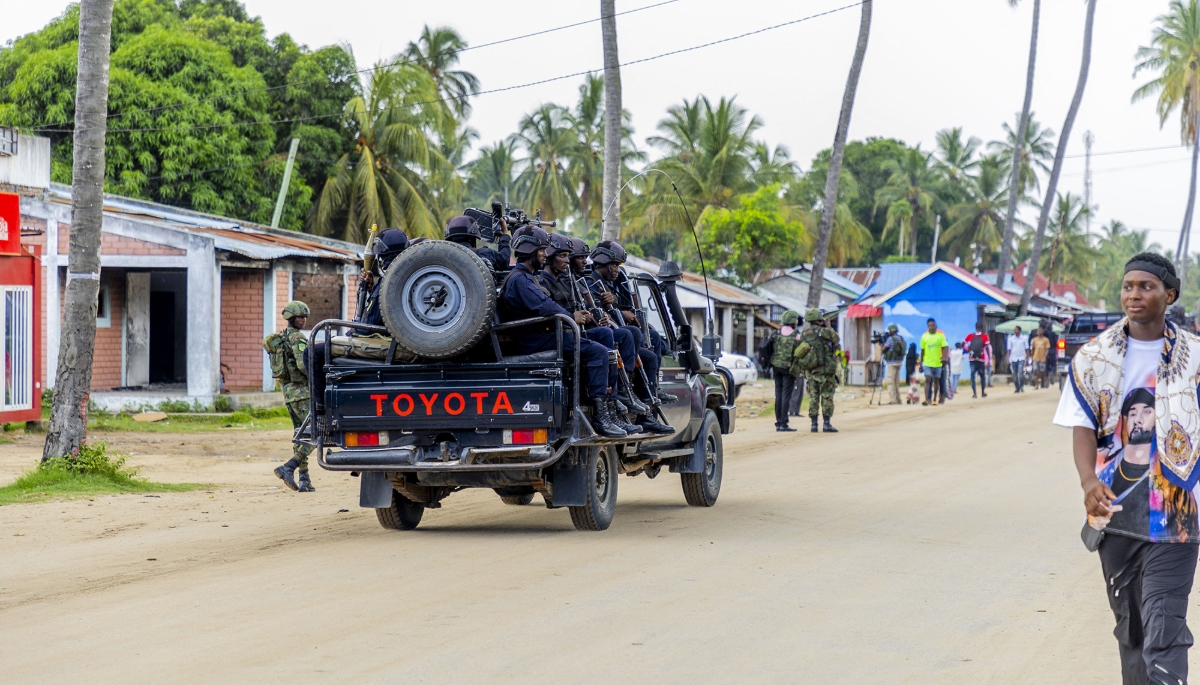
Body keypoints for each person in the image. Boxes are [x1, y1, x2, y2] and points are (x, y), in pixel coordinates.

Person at [1054, 252, 1200, 685]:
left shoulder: (1194, 357)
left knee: (1164, 622)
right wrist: (1086, 481)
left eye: (1146, 287)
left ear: (1169, 295)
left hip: (1177, 514)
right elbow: (1082, 426)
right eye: (1129, 286)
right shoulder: (1094, 356)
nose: (1134, 295)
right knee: (1131, 629)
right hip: (1115, 512)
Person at [498, 226, 626, 438]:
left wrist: (575, 315)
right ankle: (600, 417)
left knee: (602, 335)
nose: (544, 255)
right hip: (536, 340)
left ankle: (611, 406)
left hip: (546, 335)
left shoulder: (527, 277)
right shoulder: (520, 279)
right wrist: (570, 316)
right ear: (530, 251)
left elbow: (545, 305)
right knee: (598, 352)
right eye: (541, 251)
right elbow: (545, 306)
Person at [537, 233, 669, 434]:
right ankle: (609, 408)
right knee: (612, 342)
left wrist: (599, 314)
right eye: (566, 256)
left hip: (574, 331)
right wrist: (585, 315)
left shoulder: (570, 282)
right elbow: (550, 310)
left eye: (569, 256)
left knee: (633, 341)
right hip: (556, 336)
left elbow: (581, 311)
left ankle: (624, 400)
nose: (580, 261)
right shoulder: (549, 282)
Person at [587, 240, 672, 405]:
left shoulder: (612, 284)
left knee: (653, 338)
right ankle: (626, 391)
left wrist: (619, 305)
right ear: (604, 264)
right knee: (638, 344)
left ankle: (650, 396)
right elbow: (596, 312)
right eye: (615, 265)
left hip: (614, 333)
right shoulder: (591, 283)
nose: (617, 270)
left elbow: (618, 304)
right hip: (604, 335)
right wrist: (620, 313)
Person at [268, 301, 316, 493]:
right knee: (315, 432)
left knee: (300, 433)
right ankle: (289, 466)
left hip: (289, 393)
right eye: (299, 317)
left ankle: (305, 478)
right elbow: (304, 364)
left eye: (305, 317)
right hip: (303, 393)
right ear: (291, 319)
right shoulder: (297, 337)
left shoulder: (283, 336)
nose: (303, 320)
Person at [792, 308, 840, 433]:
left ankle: (814, 425)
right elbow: (837, 340)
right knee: (827, 396)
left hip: (811, 371)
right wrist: (828, 326)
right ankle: (826, 424)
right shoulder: (827, 332)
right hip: (826, 371)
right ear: (820, 319)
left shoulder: (804, 334)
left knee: (813, 397)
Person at [354, 227, 408, 332]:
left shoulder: (387, 283)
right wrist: (371, 290)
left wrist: (353, 330)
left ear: (382, 258)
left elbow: (368, 327)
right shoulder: (415, 279)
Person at [760, 310, 803, 432]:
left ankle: (778, 422)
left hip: (776, 367)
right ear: (793, 321)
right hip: (788, 369)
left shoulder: (776, 333)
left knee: (778, 395)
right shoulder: (796, 335)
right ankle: (784, 423)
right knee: (786, 396)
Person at [445, 214, 511, 275]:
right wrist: (504, 235)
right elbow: (504, 261)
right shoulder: (483, 254)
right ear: (472, 238)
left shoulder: (443, 259)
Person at [919, 318, 949, 406]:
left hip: (938, 362)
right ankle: (927, 399)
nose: (932, 327)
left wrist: (944, 357)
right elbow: (922, 350)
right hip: (928, 362)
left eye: (933, 325)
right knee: (928, 379)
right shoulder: (924, 336)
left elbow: (945, 347)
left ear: (936, 326)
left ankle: (937, 398)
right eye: (930, 325)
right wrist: (921, 363)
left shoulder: (941, 335)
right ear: (928, 326)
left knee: (938, 381)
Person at [880, 323, 906, 405]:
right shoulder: (901, 338)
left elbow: (883, 350)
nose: (889, 332)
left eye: (890, 331)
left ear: (892, 331)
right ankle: (898, 399)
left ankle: (893, 400)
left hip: (891, 363)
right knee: (896, 382)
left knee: (890, 382)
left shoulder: (890, 339)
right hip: (899, 362)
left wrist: (882, 344)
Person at [964, 322, 991, 399]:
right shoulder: (985, 336)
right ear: (982, 327)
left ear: (975, 327)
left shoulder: (971, 335)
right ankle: (982, 392)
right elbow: (987, 348)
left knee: (972, 376)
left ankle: (974, 393)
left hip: (972, 358)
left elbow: (964, 343)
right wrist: (988, 359)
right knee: (982, 376)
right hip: (981, 358)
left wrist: (968, 350)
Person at [1007, 325, 1029, 393]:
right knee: (1014, 374)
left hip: (1021, 358)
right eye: (1014, 330)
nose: (1015, 331)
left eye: (1016, 330)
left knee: (1021, 373)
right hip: (1013, 358)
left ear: (1019, 331)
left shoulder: (1024, 338)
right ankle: (1017, 387)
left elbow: (1027, 349)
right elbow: (1009, 350)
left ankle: (1022, 386)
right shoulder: (1011, 339)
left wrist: (1027, 357)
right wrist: (1008, 358)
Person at [1044, 320, 1060, 389]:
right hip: (1052, 351)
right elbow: (1057, 343)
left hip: (1045, 351)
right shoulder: (1054, 334)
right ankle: (1051, 374)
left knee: (1047, 366)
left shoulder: (1044, 333)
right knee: (1053, 365)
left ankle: (1048, 376)